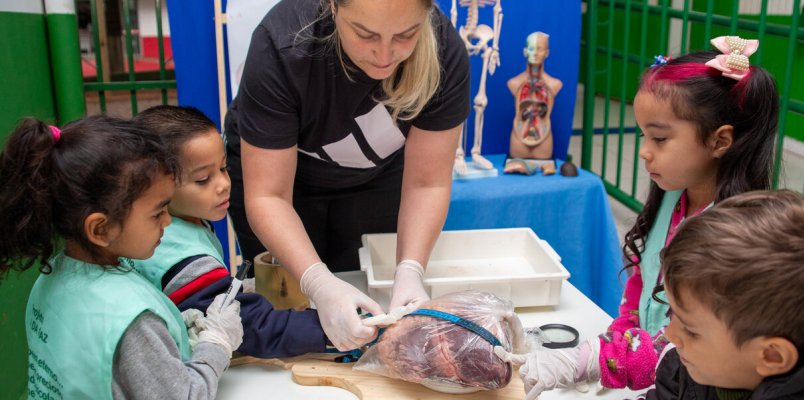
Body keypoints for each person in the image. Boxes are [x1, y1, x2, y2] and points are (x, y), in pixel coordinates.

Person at [495, 36, 779, 398]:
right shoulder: (674, 193)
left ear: (720, 141)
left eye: (659, 139)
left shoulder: (734, 240)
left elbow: (680, 346)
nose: (644, 152)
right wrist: (617, 341)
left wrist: (594, 360)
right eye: (643, 135)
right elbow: (642, 283)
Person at [224, 0, 470, 351]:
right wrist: (319, 283)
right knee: (290, 310)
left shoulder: (445, 51)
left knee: (365, 306)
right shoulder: (282, 45)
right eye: (365, 34)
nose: (385, 55)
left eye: (405, 35)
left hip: (374, 177)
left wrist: (411, 269)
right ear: (333, 7)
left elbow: (427, 182)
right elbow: (268, 196)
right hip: (281, 186)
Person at [0, 116, 243, 399]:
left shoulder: (51, 275)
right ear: (100, 229)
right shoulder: (134, 321)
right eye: (157, 213)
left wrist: (175, 328)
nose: (167, 222)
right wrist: (216, 344)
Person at [133, 105, 328, 358]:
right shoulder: (180, 256)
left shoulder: (185, 222)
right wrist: (325, 328)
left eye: (223, 168)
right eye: (203, 179)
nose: (224, 184)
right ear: (156, 186)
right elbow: (248, 325)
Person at [640, 189, 804, 399]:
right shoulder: (700, 362)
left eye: (691, 330)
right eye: (672, 312)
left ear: (771, 356)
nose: (670, 333)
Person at [504, 31, 562, 176]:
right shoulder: (514, 83)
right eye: (531, 48)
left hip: (544, 142)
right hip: (518, 142)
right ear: (525, 52)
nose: (535, 53)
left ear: (547, 53)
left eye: (540, 49)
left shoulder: (555, 85)